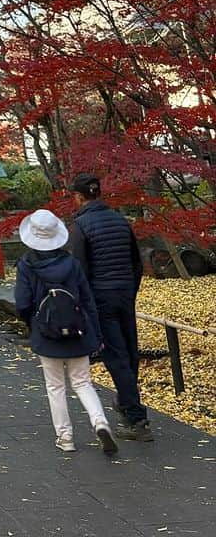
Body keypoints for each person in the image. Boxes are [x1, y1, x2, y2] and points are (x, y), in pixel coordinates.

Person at [15, 209, 118, 456]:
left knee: (55, 387)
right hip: (77, 331)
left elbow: (22, 303)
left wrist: (33, 324)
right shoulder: (72, 264)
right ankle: (100, 422)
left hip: (46, 332)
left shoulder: (26, 265)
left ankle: (66, 437)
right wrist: (95, 334)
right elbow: (87, 300)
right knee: (83, 382)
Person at [67, 173, 151, 441]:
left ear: (79, 197)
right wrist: (130, 288)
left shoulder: (80, 226)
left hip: (101, 296)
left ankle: (135, 416)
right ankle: (128, 402)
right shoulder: (120, 220)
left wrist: (84, 305)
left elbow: (80, 270)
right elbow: (137, 263)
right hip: (125, 292)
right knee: (129, 349)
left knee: (115, 354)